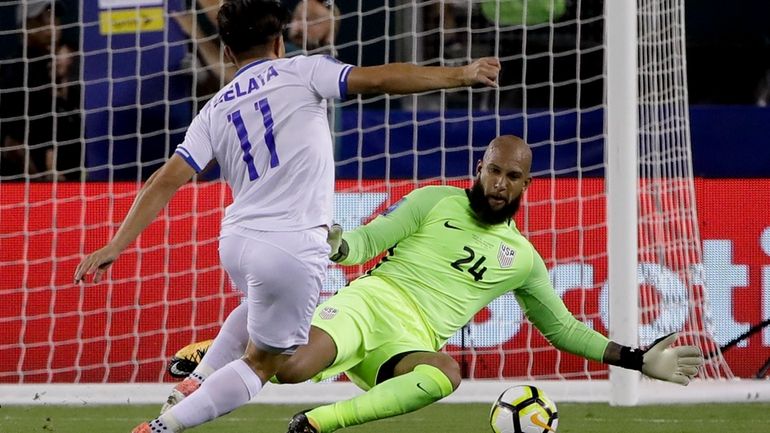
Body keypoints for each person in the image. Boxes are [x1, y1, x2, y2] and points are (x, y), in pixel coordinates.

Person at [73, 0, 500, 432]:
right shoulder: (302, 70)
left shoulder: (214, 108)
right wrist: (459, 74)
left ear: (227, 51)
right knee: (267, 365)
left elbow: (164, 180)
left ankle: (197, 380)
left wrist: (116, 244)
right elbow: (381, 78)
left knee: (260, 310)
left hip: (237, 242)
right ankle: (161, 428)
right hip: (291, 244)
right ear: (279, 41)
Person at [167, 135, 704, 433]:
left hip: (411, 342)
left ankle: (316, 424)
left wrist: (635, 358)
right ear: (480, 166)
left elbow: (562, 329)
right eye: (493, 171)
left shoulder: (523, 260)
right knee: (288, 370)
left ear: (526, 185)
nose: (499, 184)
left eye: (512, 177)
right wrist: (337, 245)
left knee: (447, 372)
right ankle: (212, 351)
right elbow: (368, 242)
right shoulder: (435, 200)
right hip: (370, 304)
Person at [0, 0, 81, 180]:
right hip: (30, 183)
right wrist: (41, 177)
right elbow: (13, 141)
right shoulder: (16, 72)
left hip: (74, 176)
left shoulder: (69, 60)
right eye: (42, 20)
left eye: (54, 18)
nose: (51, 26)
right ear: (26, 26)